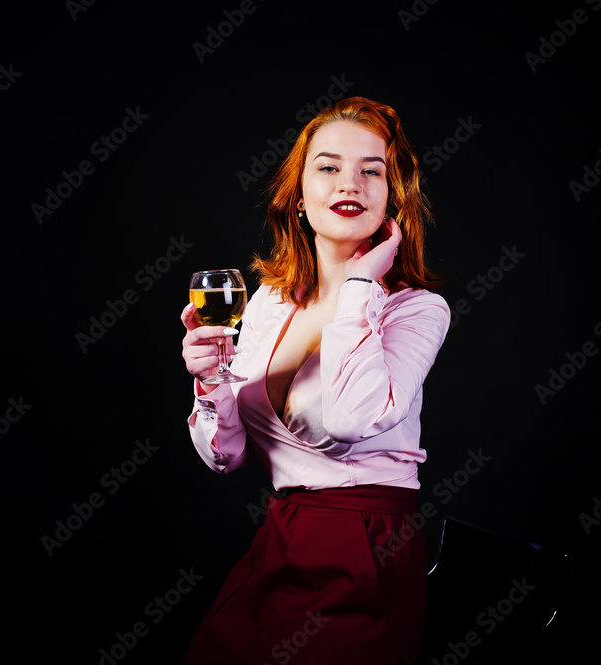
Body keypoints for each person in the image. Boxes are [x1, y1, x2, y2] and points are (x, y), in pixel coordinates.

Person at [179, 96, 450, 664]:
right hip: (280, 539)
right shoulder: (269, 302)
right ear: (300, 196)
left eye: (371, 171)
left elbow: (353, 420)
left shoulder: (417, 310)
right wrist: (210, 382)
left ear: (391, 198)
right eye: (328, 167)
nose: (349, 183)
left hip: (365, 550)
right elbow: (226, 457)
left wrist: (358, 285)